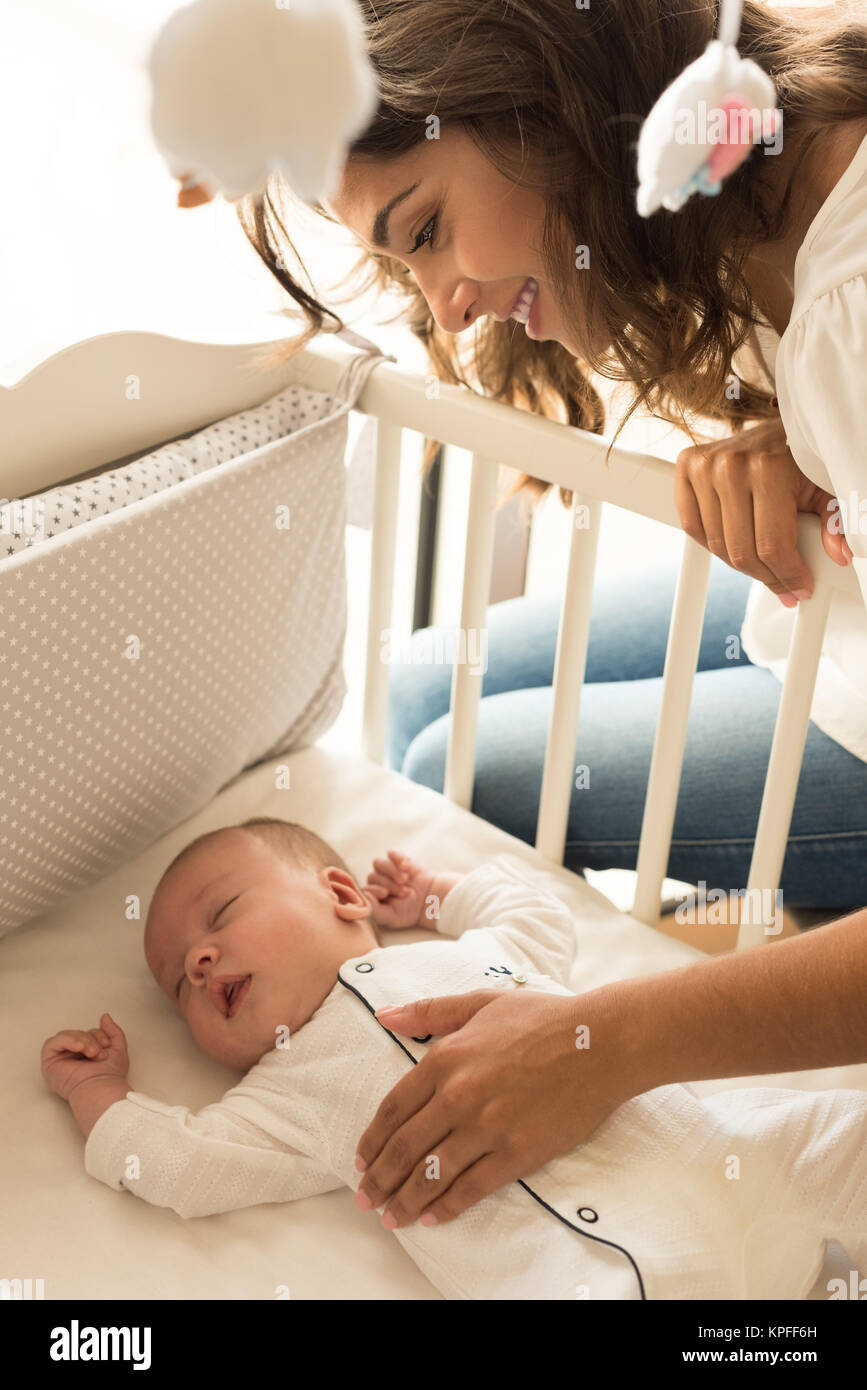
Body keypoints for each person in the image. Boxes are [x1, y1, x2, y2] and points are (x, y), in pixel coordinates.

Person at [178, 1, 867, 1222]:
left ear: (547, 98)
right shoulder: (765, 177)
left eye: (428, 230)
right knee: (426, 686)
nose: (443, 307)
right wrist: (791, 441)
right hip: (832, 608)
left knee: (468, 771)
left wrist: (600, 1041)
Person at [40, 820, 867, 1299]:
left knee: (842, 1139)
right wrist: (97, 1094)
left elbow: (536, 915)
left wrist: (438, 895)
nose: (199, 963)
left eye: (220, 917)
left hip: (732, 1150)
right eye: (178, 982)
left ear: (340, 895)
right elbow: (186, 1165)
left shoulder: (475, 955)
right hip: (594, 1273)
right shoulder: (280, 1098)